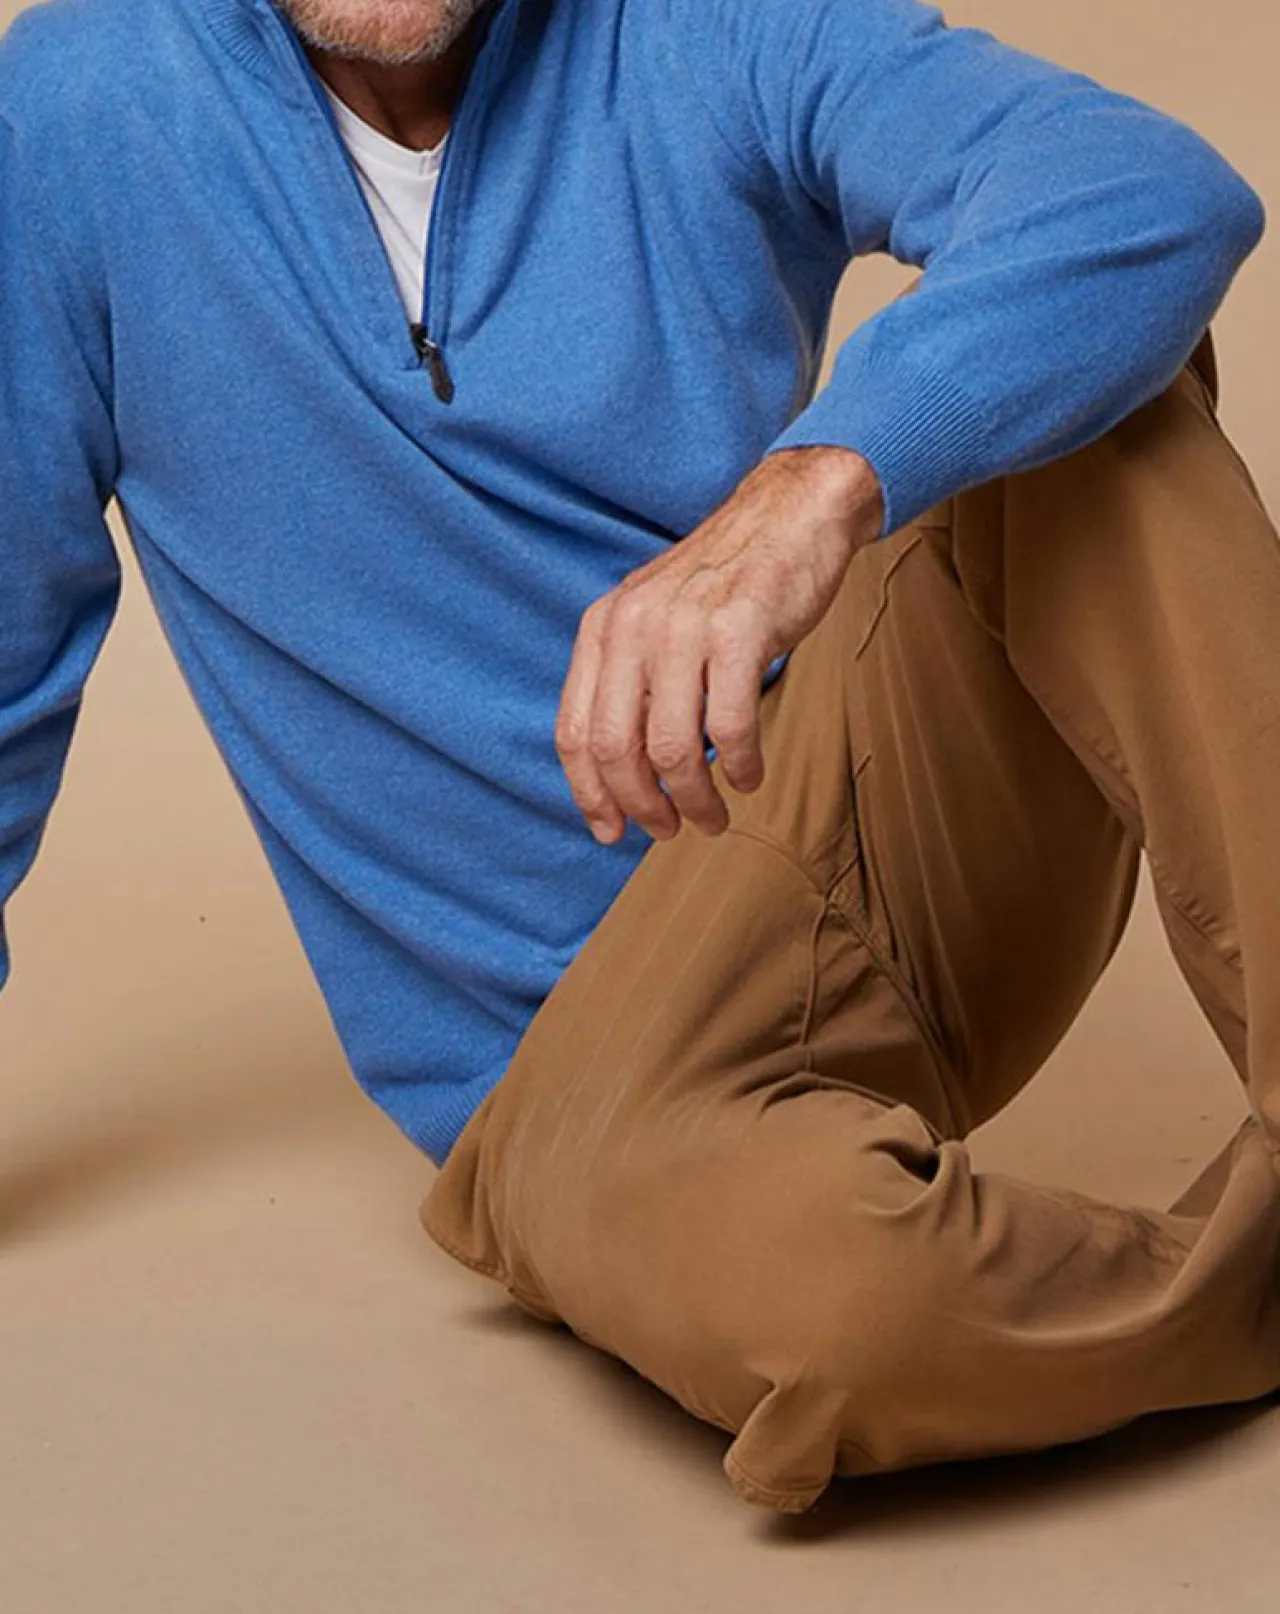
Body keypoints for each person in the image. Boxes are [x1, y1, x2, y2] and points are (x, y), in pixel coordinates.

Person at [2, 0, 1277, 1513]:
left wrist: (816, 483)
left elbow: (1141, 188)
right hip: (585, 1076)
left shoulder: (701, 23)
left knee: (1098, 388)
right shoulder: (76, 120)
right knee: (850, 1320)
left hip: (885, 817)